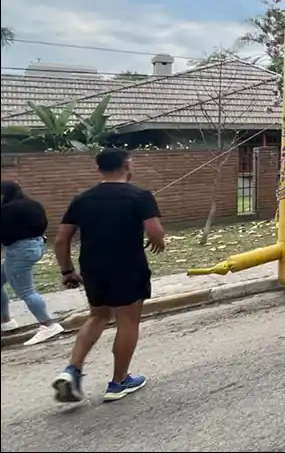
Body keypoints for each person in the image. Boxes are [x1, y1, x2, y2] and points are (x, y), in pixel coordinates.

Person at [51, 149, 166, 402]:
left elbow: (61, 239)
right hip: (128, 266)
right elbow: (154, 231)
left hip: (93, 267)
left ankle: (73, 370)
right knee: (127, 321)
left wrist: (67, 271)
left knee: (97, 316)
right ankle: (119, 382)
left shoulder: (81, 198)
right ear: (128, 165)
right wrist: (158, 242)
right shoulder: (140, 195)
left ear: (98, 169)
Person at [1, 181, 64, 345]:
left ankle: (48, 324)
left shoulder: (8, 210)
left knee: (26, 291)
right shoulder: (33, 204)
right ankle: (5, 321)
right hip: (36, 244)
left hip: (19, 250)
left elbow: (4, 232)